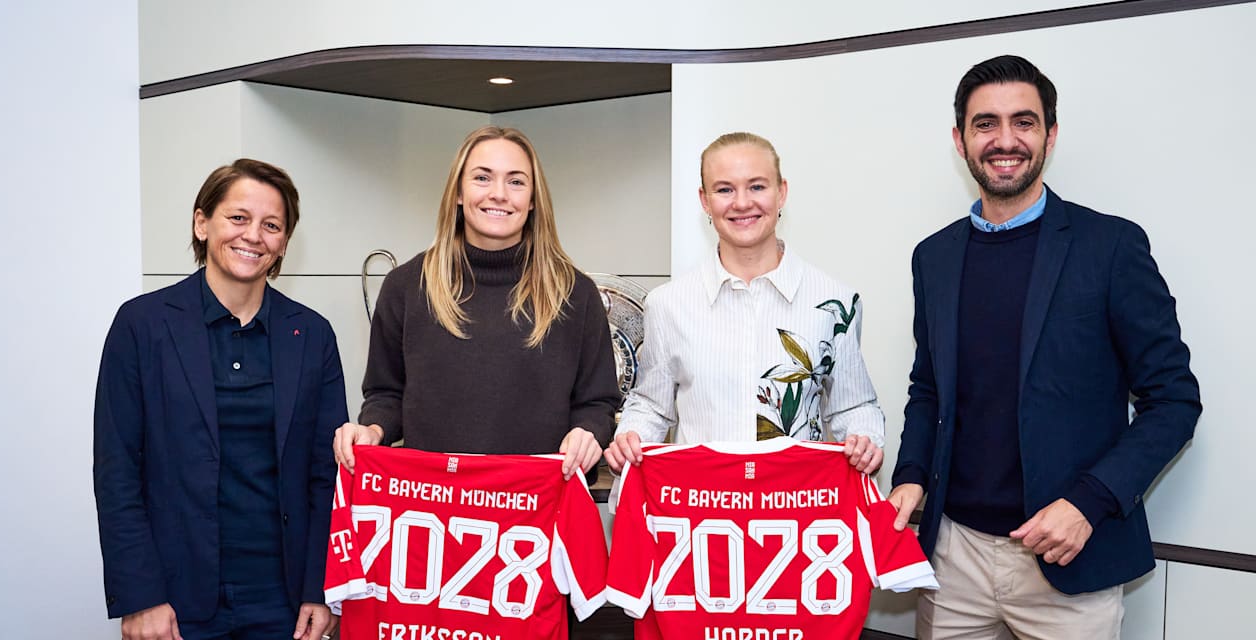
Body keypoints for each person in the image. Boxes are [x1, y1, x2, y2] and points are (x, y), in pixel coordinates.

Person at [888, 55, 1201, 639]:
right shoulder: (933, 256)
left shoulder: (1110, 247)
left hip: (1070, 556)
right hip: (953, 557)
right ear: (960, 140)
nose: (1005, 140)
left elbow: (1174, 402)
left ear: (1050, 135)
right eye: (985, 124)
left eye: (1024, 122)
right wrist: (910, 474)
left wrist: (1090, 501)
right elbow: (928, 388)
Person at [94, 159, 347, 640]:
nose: (254, 235)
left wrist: (321, 588)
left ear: (284, 244)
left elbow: (325, 475)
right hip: (174, 596)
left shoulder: (311, 334)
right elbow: (117, 472)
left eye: (271, 225)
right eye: (238, 218)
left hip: (284, 600)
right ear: (202, 222)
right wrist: (140, 596)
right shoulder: (142, 325)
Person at [332, 126, 620, 480]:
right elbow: (385, 393)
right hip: (436, 506)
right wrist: (372, 429)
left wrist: (588, 432)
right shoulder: (406, 287)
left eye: (516, 182)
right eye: (482, 178)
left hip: (538, 509)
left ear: (532, 200)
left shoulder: (574, 293)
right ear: (457, 191)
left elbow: (598, 403)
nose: (499, 194)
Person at [605, 132, 885, 475]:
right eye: (724, 189)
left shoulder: (835, 303)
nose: (741, 203)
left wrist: (865, 439)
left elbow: (853, 408)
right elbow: (651, 406)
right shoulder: (667, 305)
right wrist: (630, 437)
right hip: (703, 508)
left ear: (781, 192)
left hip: (795, 508)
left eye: (757, 186)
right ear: (705, 201)